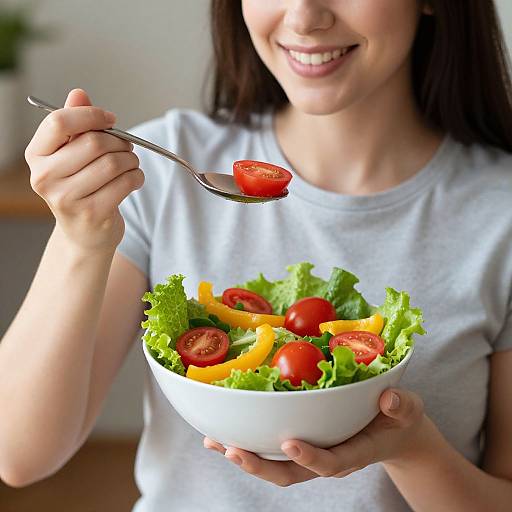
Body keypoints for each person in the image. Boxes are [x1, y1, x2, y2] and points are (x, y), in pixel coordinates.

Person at [1, 0, 512, 510]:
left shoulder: (500, 213)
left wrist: (413, 448)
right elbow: (18, 454)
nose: (305, 18)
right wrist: (81, 238)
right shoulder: (157, 170)